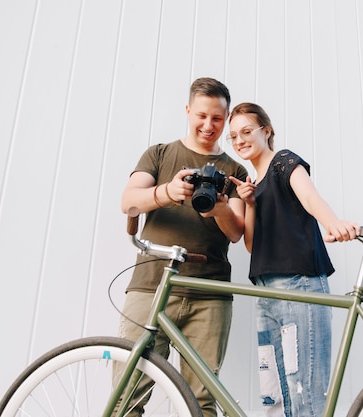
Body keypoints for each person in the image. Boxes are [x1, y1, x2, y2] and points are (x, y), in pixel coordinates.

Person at [116, 77, 248, 416]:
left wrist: (218, 206)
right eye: (201, 115)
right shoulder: (160, 154)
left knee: (202, 403)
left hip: (210, 293)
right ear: (188, 111)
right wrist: (166, 193)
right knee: (127, 397)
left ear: (227, 116)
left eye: (217, 118)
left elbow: (236, 232)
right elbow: (128, 202)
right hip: (151, 286)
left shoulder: (235, 171)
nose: (208, 125)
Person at [227, 102, 360, 417]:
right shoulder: (252, 186)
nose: (240, 140)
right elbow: (251, 246)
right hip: (266, 291)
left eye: (247, 131)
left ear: (266, 131)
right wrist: (250, 204)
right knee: (275, 394)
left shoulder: (283, 161)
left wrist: (333, 224)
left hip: (298, 284)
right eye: (233, 137)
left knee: (305, 392)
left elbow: (310, 197)